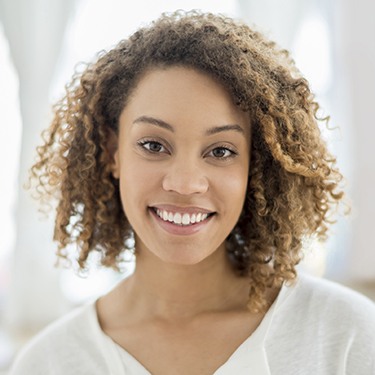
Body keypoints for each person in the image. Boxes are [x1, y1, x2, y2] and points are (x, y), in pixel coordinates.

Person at [10, 10, 375, 375]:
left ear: (255, 165)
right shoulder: (49, 363)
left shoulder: (346, 336)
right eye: (154, 145)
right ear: (112, 153)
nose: (185, 184)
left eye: (220, 151)